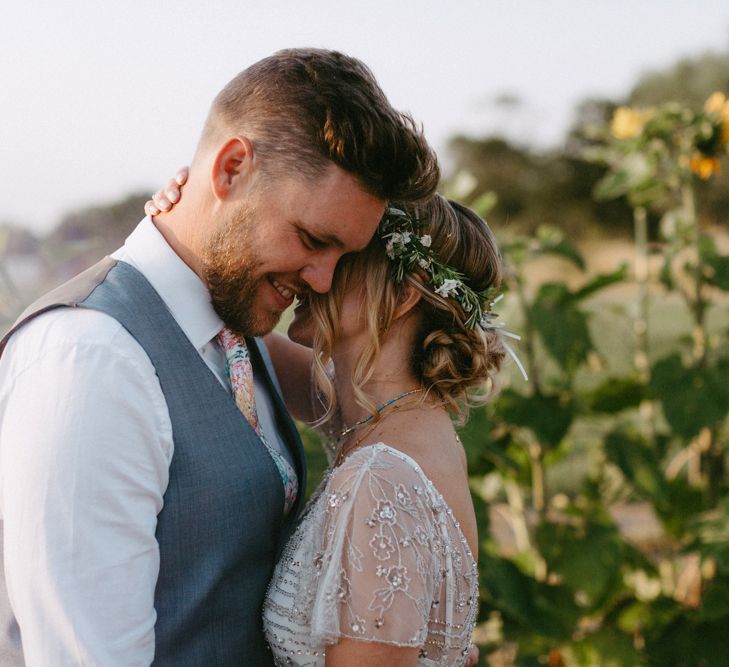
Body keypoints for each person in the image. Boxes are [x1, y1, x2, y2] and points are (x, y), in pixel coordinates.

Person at [0, 49, 438, 666]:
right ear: (231, 168)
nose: (322, 279)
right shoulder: (89, 359)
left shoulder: (235, 326)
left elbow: (378, 405)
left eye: (344, 257)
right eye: (313, 240)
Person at [149, 177, 508, 665]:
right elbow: (243, 335)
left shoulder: (381, 480)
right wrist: (196, 228)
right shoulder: (388, 417)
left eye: (342, 256)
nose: (312, 273)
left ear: (402, 295)